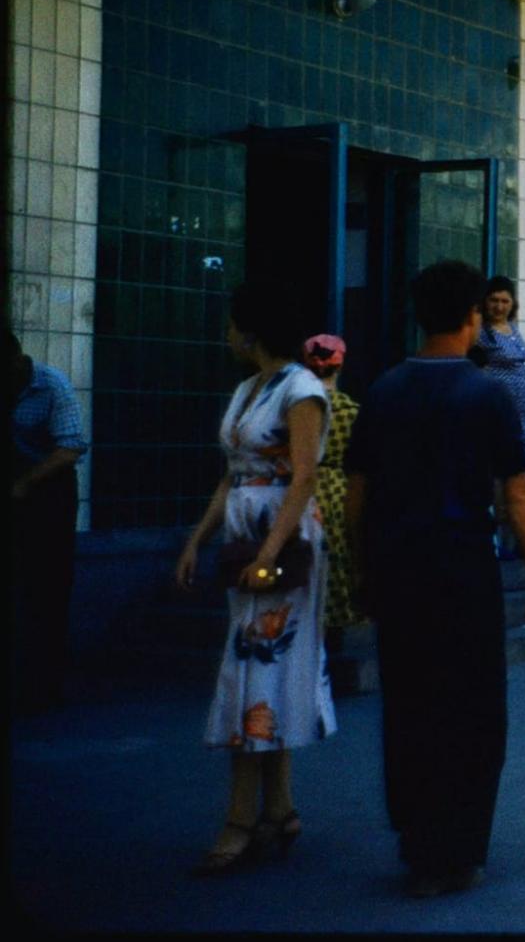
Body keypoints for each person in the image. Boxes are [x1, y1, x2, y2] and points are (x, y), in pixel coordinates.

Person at [344, 260, 525, 898]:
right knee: (470, 706)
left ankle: (417, 841)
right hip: (464, 568)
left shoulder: (382, 391)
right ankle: (458, 851)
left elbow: (357, 494)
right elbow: (518, 491)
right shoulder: (485, 393)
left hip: (398, 568)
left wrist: (359, 572)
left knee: (409, 702)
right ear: (472, 317)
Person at [173, 282, 336, 875]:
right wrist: (196, 538)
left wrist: (269, 550)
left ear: (252, 330)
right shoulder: (248, 390)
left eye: (231, 324)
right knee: (258, 676)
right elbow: (231, 474)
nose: (225, 334)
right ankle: (281, 810)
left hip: (279, 542)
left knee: (255, 676)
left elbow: (303, 477)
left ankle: (241, 819)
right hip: (247, 537)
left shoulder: (302, 389)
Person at [8, 330, 87, 713]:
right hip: (15, 485)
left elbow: (70, 446)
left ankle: (46, 683)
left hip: (50, 491)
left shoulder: (51, 384)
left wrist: (27, 483)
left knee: (49, 587)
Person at [301, 335, 365, 634]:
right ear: (339, 366)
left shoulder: (296, 408)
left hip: (300, 489)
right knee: (339, 556)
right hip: (338, 488)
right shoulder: (351, 410)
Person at [467, 275, 525, 476]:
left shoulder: (514, 330)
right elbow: (482, 375)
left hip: (523, 416)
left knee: (522, 472)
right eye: (494, 300)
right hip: (497, 414)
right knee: (504, 475)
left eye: (505, 301)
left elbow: (517, 375)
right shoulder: (480, 334)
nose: (499, 307)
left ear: (512, 304)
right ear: (484, 301)